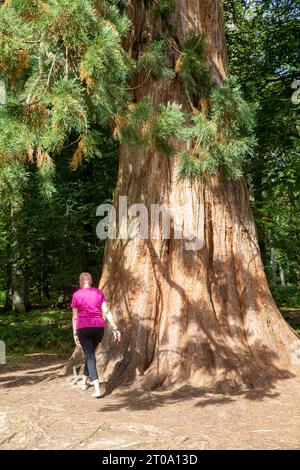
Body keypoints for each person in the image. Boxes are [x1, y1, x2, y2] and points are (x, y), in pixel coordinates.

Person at [71, 272, 121, 398]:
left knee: (89, 355)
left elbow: (75, 316)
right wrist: (115, 327)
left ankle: (97, 389)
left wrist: (75, 333)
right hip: (98, 327)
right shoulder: (98, 293)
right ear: (91, 281)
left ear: (81, 282)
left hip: (83, 327)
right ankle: (84, 381)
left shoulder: (76, 295)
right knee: (90, 353)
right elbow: (106, 311)